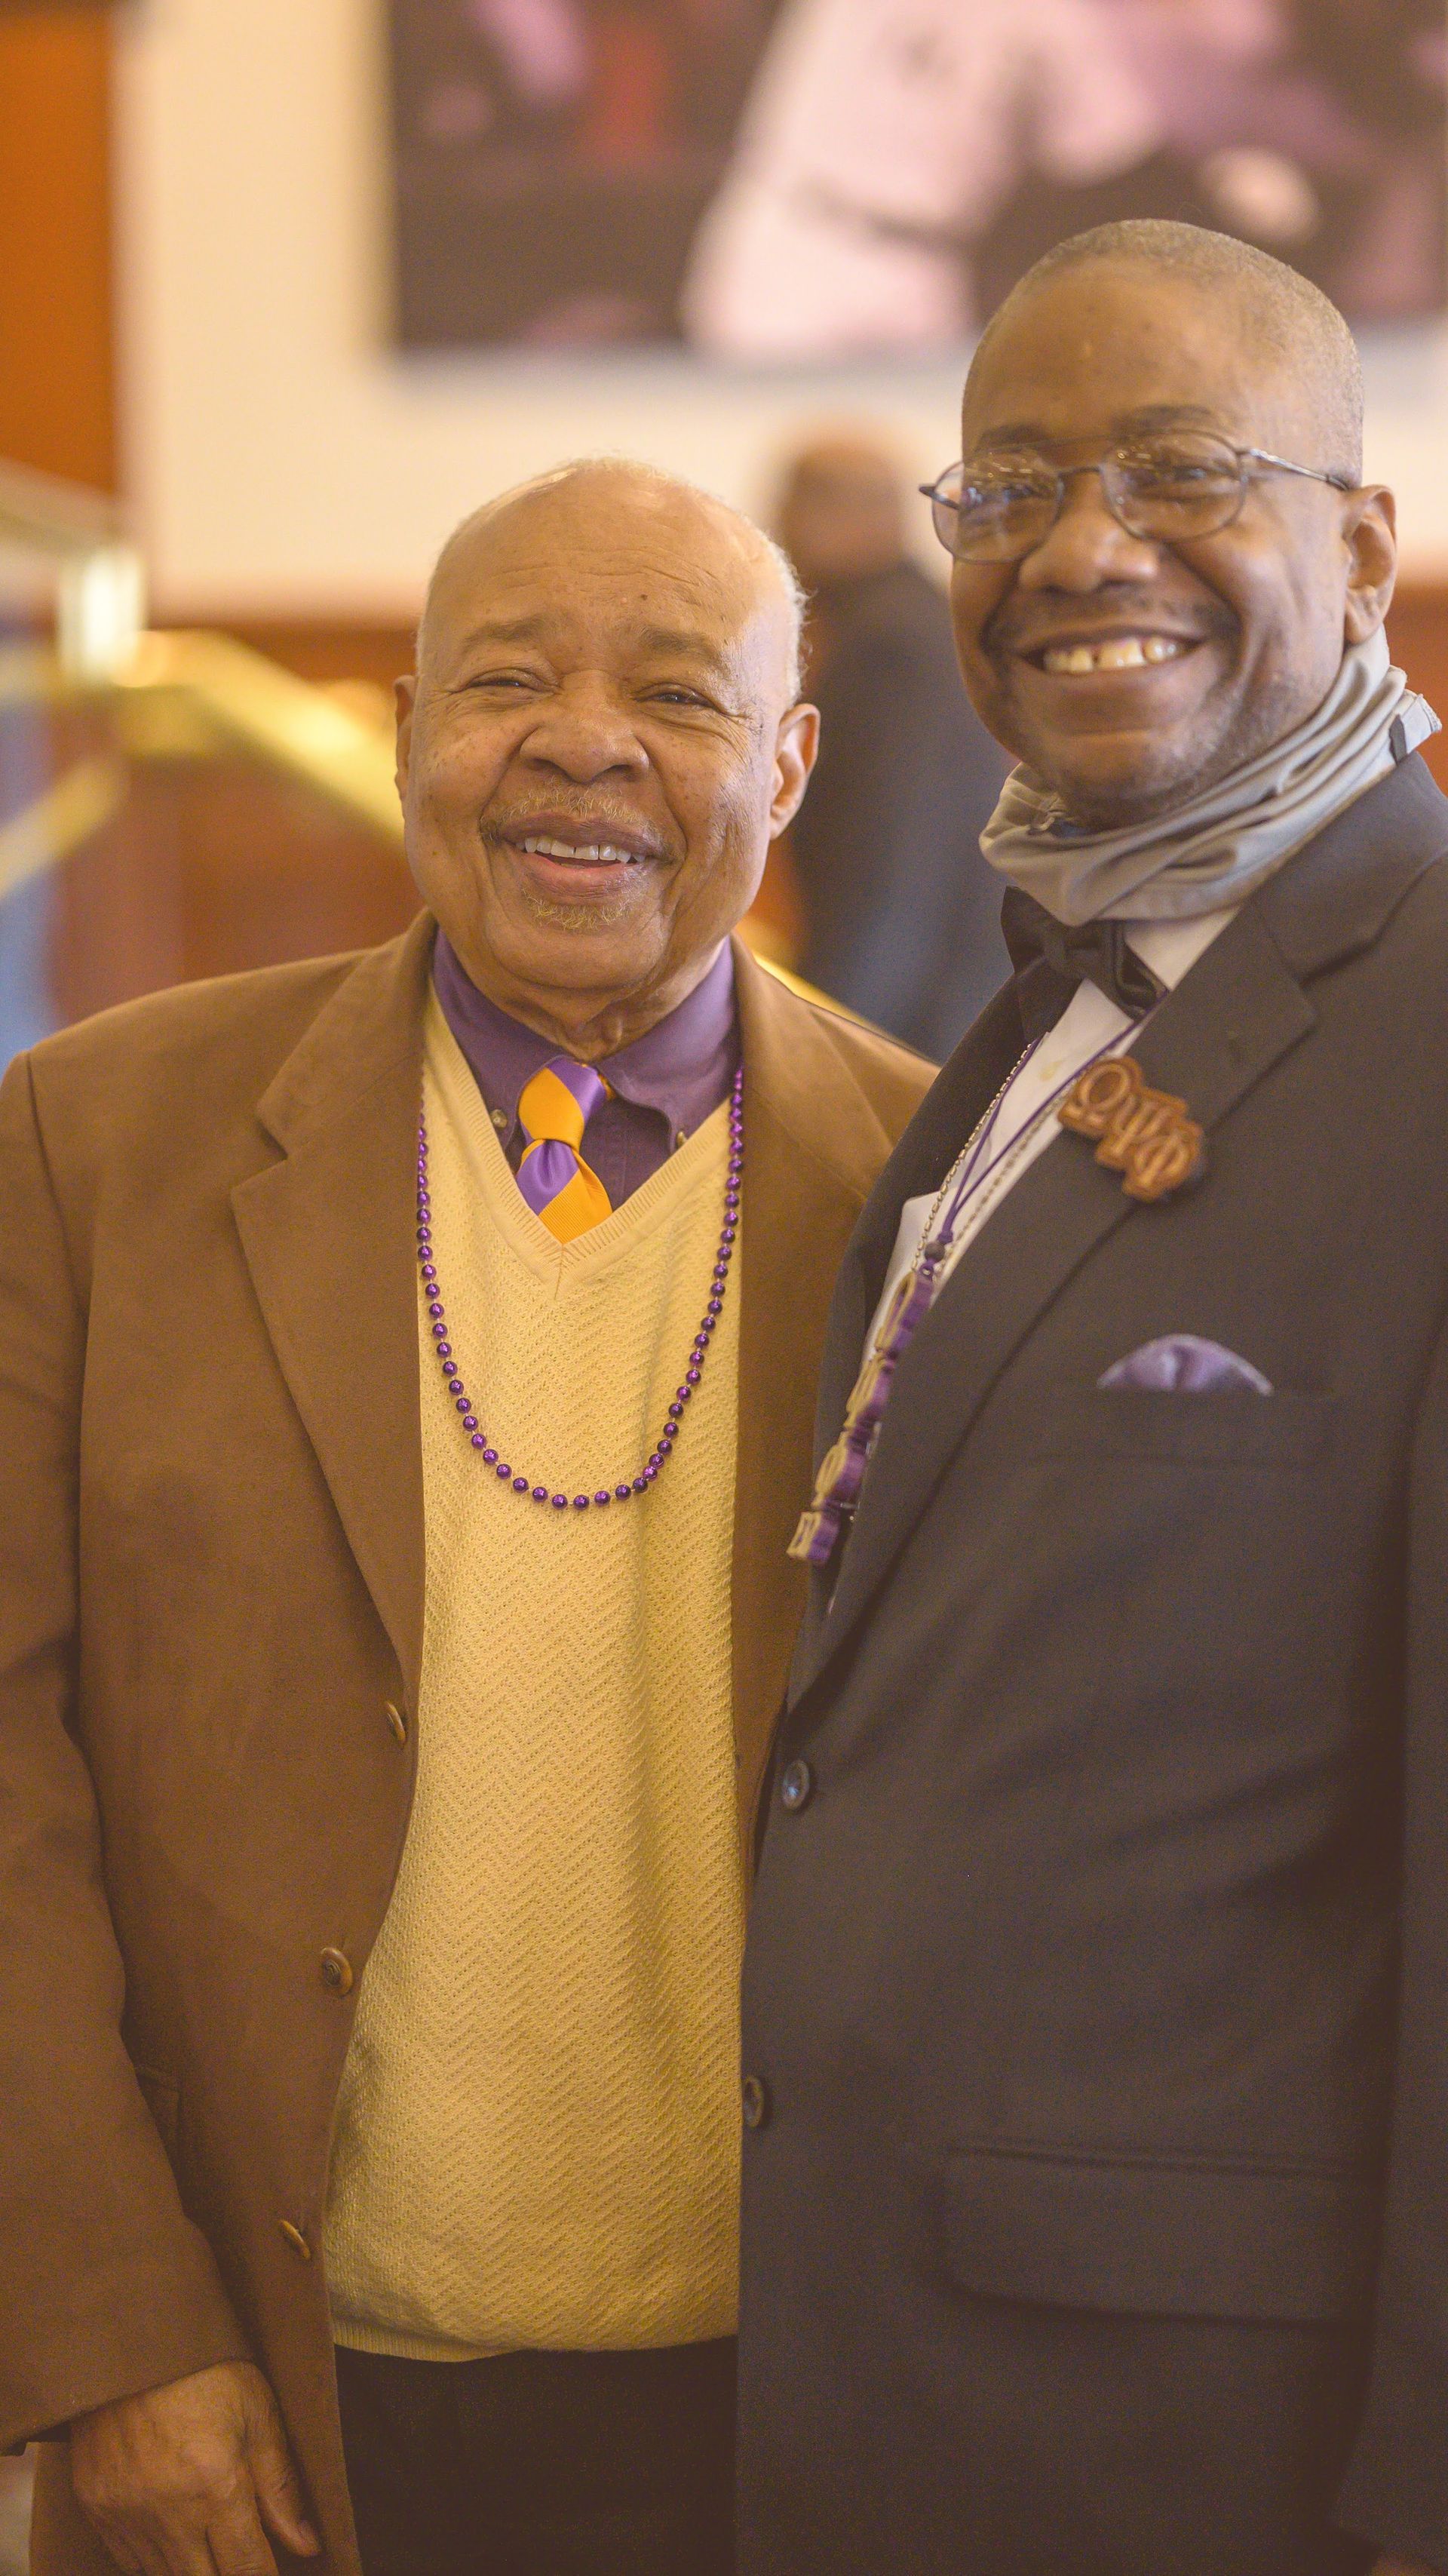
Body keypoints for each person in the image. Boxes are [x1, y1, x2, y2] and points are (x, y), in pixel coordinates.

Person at [0, 457, 932, 2576]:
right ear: (413, 724)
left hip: (784, 2417)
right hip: (253, 2388)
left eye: (677, 693)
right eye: (506, 675)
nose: (580, 738)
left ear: (787, 762)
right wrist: (101, 2333)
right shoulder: (90, 1145)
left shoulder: (936, 1196)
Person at [738, 220, 1448, 2576]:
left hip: (1210, 2455)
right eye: (1007, 485)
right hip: (898, 2391)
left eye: (1174, 469)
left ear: (1357, 547)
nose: (1076, 551)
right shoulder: (1051, 1002)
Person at [775, 431, 1009, 1055]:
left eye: (790, 507)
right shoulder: (921, 620)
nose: (777, 534)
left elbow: (891, 868)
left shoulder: (891, 648)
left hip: (914, 1020)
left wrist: (827, 1042)